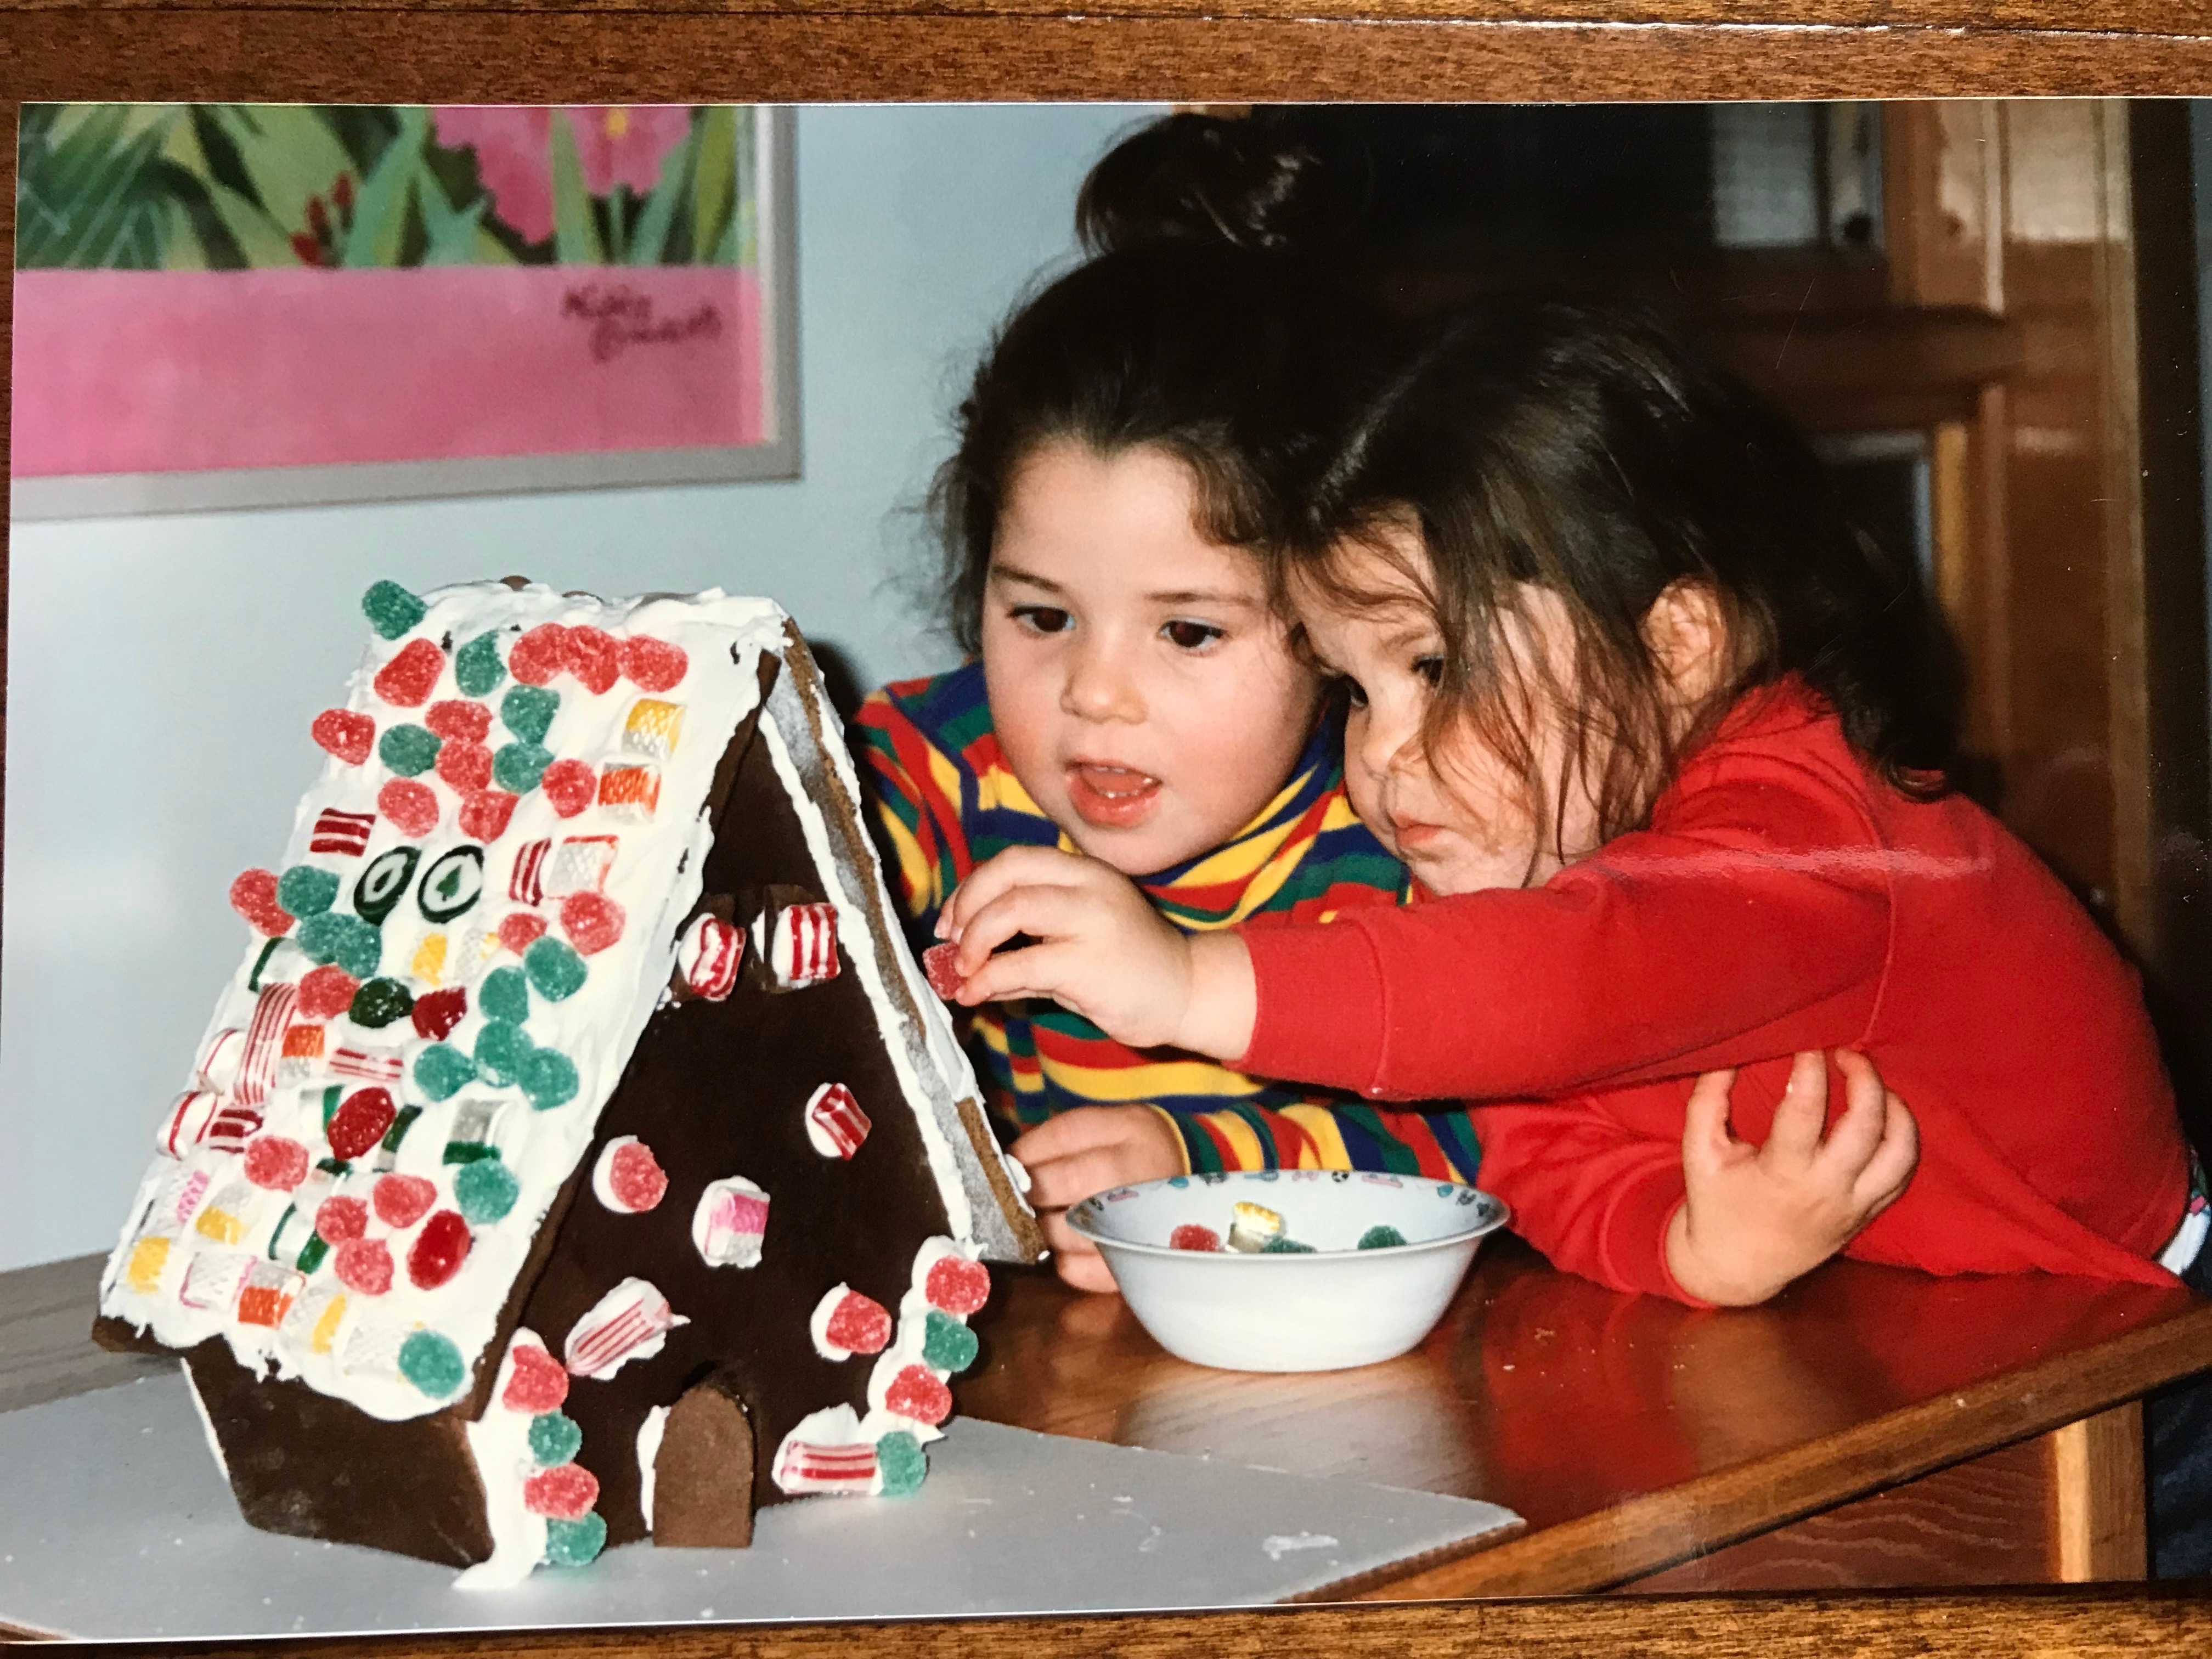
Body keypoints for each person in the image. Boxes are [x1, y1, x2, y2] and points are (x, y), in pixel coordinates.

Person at [934, 295, 2197, 1316]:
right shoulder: (1525, 817)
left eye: (1436, 667)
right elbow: (1536, 1151)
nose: (1383, 751)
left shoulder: (1813, 842)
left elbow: (1565, 986)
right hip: (1908, 1338)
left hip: (2133, 1355)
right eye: (1357, 690)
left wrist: (1192, 981)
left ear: (1679, 646)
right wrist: (1690, 1246)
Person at [853, 132, 1482, 1292]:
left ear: (1346, 619)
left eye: (1188, 632)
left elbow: (1482, 1149)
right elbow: (784, 880)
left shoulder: (1407, 844)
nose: (1094, 694)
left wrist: (1203, 1166)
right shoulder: (933, 771)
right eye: (1042, 618)